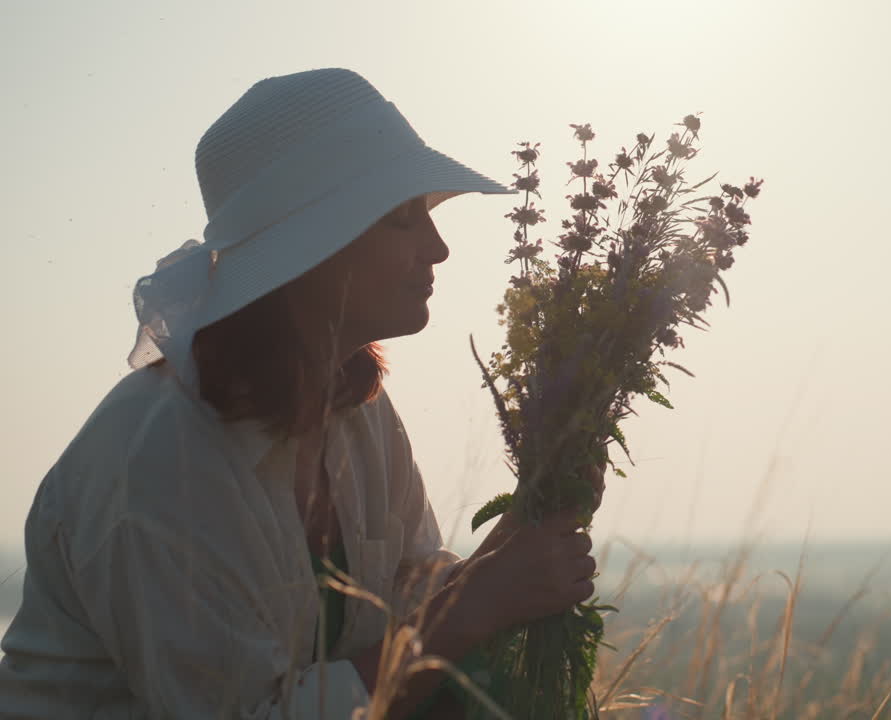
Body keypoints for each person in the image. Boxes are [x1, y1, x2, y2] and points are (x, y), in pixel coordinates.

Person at [0, 67, 602, 719]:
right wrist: (473, 607)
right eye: (404, 216)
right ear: (317, 248)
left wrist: (526, 523)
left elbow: (416, 605)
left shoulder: (354, 408)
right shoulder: (160, 461)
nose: (439, 246)